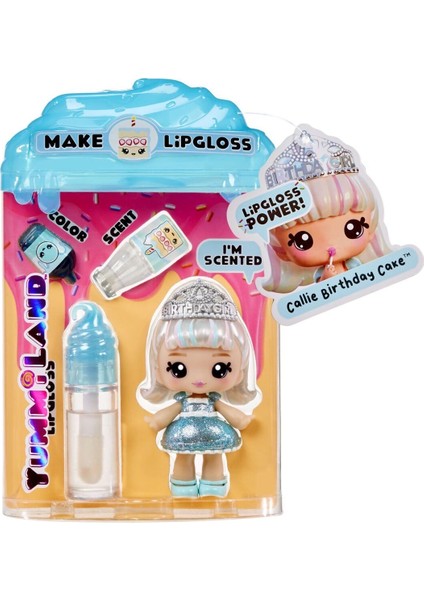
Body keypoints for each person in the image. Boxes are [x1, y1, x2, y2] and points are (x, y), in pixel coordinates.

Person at [137, 277, 261, 498]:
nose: (200, 379)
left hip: (214, 431)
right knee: (183, 457)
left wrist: (241, 420)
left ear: (241, 371)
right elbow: (168, 413)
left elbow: (228, 412)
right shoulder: (182, 401)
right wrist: (156, 421)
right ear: (158, 369)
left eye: (220, 369)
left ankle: (213, 487)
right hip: (183, 433)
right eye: (178, 368)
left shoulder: (214, 400)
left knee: (214, 456)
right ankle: (183, 487)